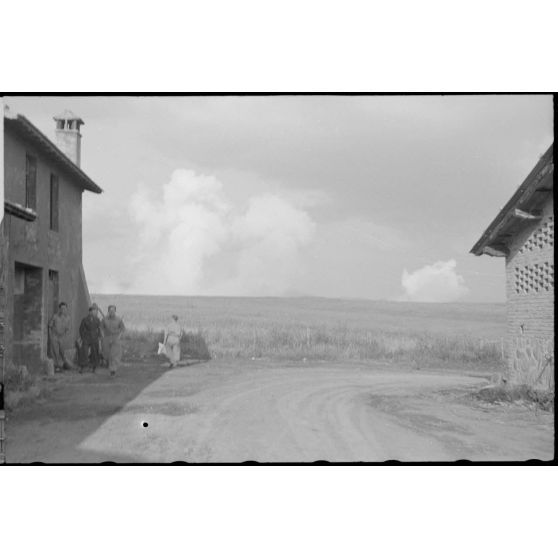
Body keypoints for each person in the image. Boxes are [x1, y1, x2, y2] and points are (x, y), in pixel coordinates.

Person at [48, 302, 73, 372]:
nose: (63, 310)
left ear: (66, 309)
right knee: (55, 352)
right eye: (61, 308)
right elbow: (50, 326)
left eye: (64, 308)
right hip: (54, 337)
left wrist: (65, 336)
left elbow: (67, 329)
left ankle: (63, 365)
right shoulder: (55, 316)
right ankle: (56, 367)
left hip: (62, 337)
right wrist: (50, 336)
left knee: (62, 352)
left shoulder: (68, 318)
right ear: (59, 309)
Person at [101, 305, 125, 376]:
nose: (112, 312)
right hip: (106, 338)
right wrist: (103, 336)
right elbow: (101, 328)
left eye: (113, 311)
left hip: (115, 338)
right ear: (108, 311)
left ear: (115, 311)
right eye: (110, 311)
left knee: (114, 355)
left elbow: (122, 329)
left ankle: (113, 370)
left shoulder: (119, 319)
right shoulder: (104, 319)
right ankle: (109, 364)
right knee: (107, 354)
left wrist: (119, 337)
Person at [78, 305, 102, 373]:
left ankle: (94, 367)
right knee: (84, 352)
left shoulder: (97, 319)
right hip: (86, 337)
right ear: (90, 312)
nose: (95, 312)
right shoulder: (85, 319)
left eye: (96, 311)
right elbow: (81, 329)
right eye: (94, 311)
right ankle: (82, 367)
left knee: (94, 352)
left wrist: (99, 336)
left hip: (94, 337)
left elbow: (99, 328)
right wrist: (83, 337)